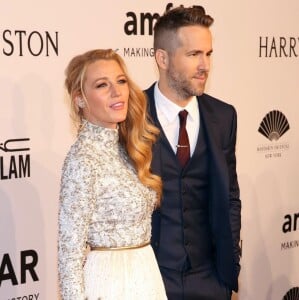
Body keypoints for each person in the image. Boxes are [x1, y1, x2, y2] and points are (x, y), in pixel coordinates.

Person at [145, 5, 241, 300]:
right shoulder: (131, 118)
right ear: (163, 58)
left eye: (208, 54)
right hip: (151, 279)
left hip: (210, 280)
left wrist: (229, 266)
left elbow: (230, 196)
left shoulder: (223, 116)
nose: (205, 65)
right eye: (193, 54)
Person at [58, 49, 167, 300]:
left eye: (121, 81)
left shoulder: (130, 147)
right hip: (110, 284)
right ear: (80, 99)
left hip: (146, 274)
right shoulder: (82, 159)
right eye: (101, 85)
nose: (117, 92)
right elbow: (69, 253)